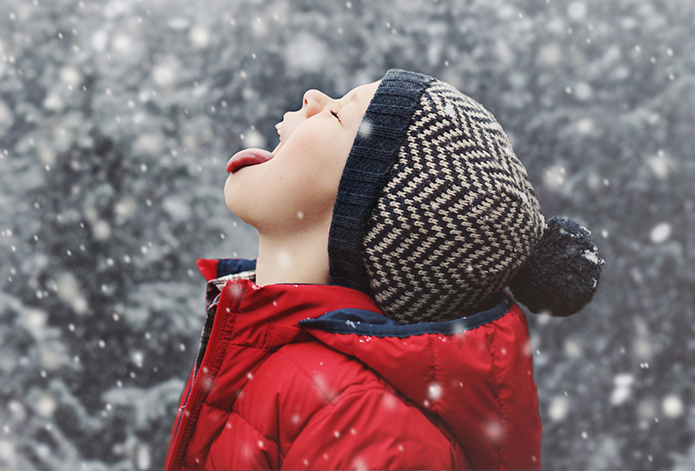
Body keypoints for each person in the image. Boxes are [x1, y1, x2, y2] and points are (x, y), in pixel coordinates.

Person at [164, 69, 605, 470]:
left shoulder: (366, 422)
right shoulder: (299, 372)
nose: (313, 97)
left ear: (364, 215)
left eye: (337, 115)